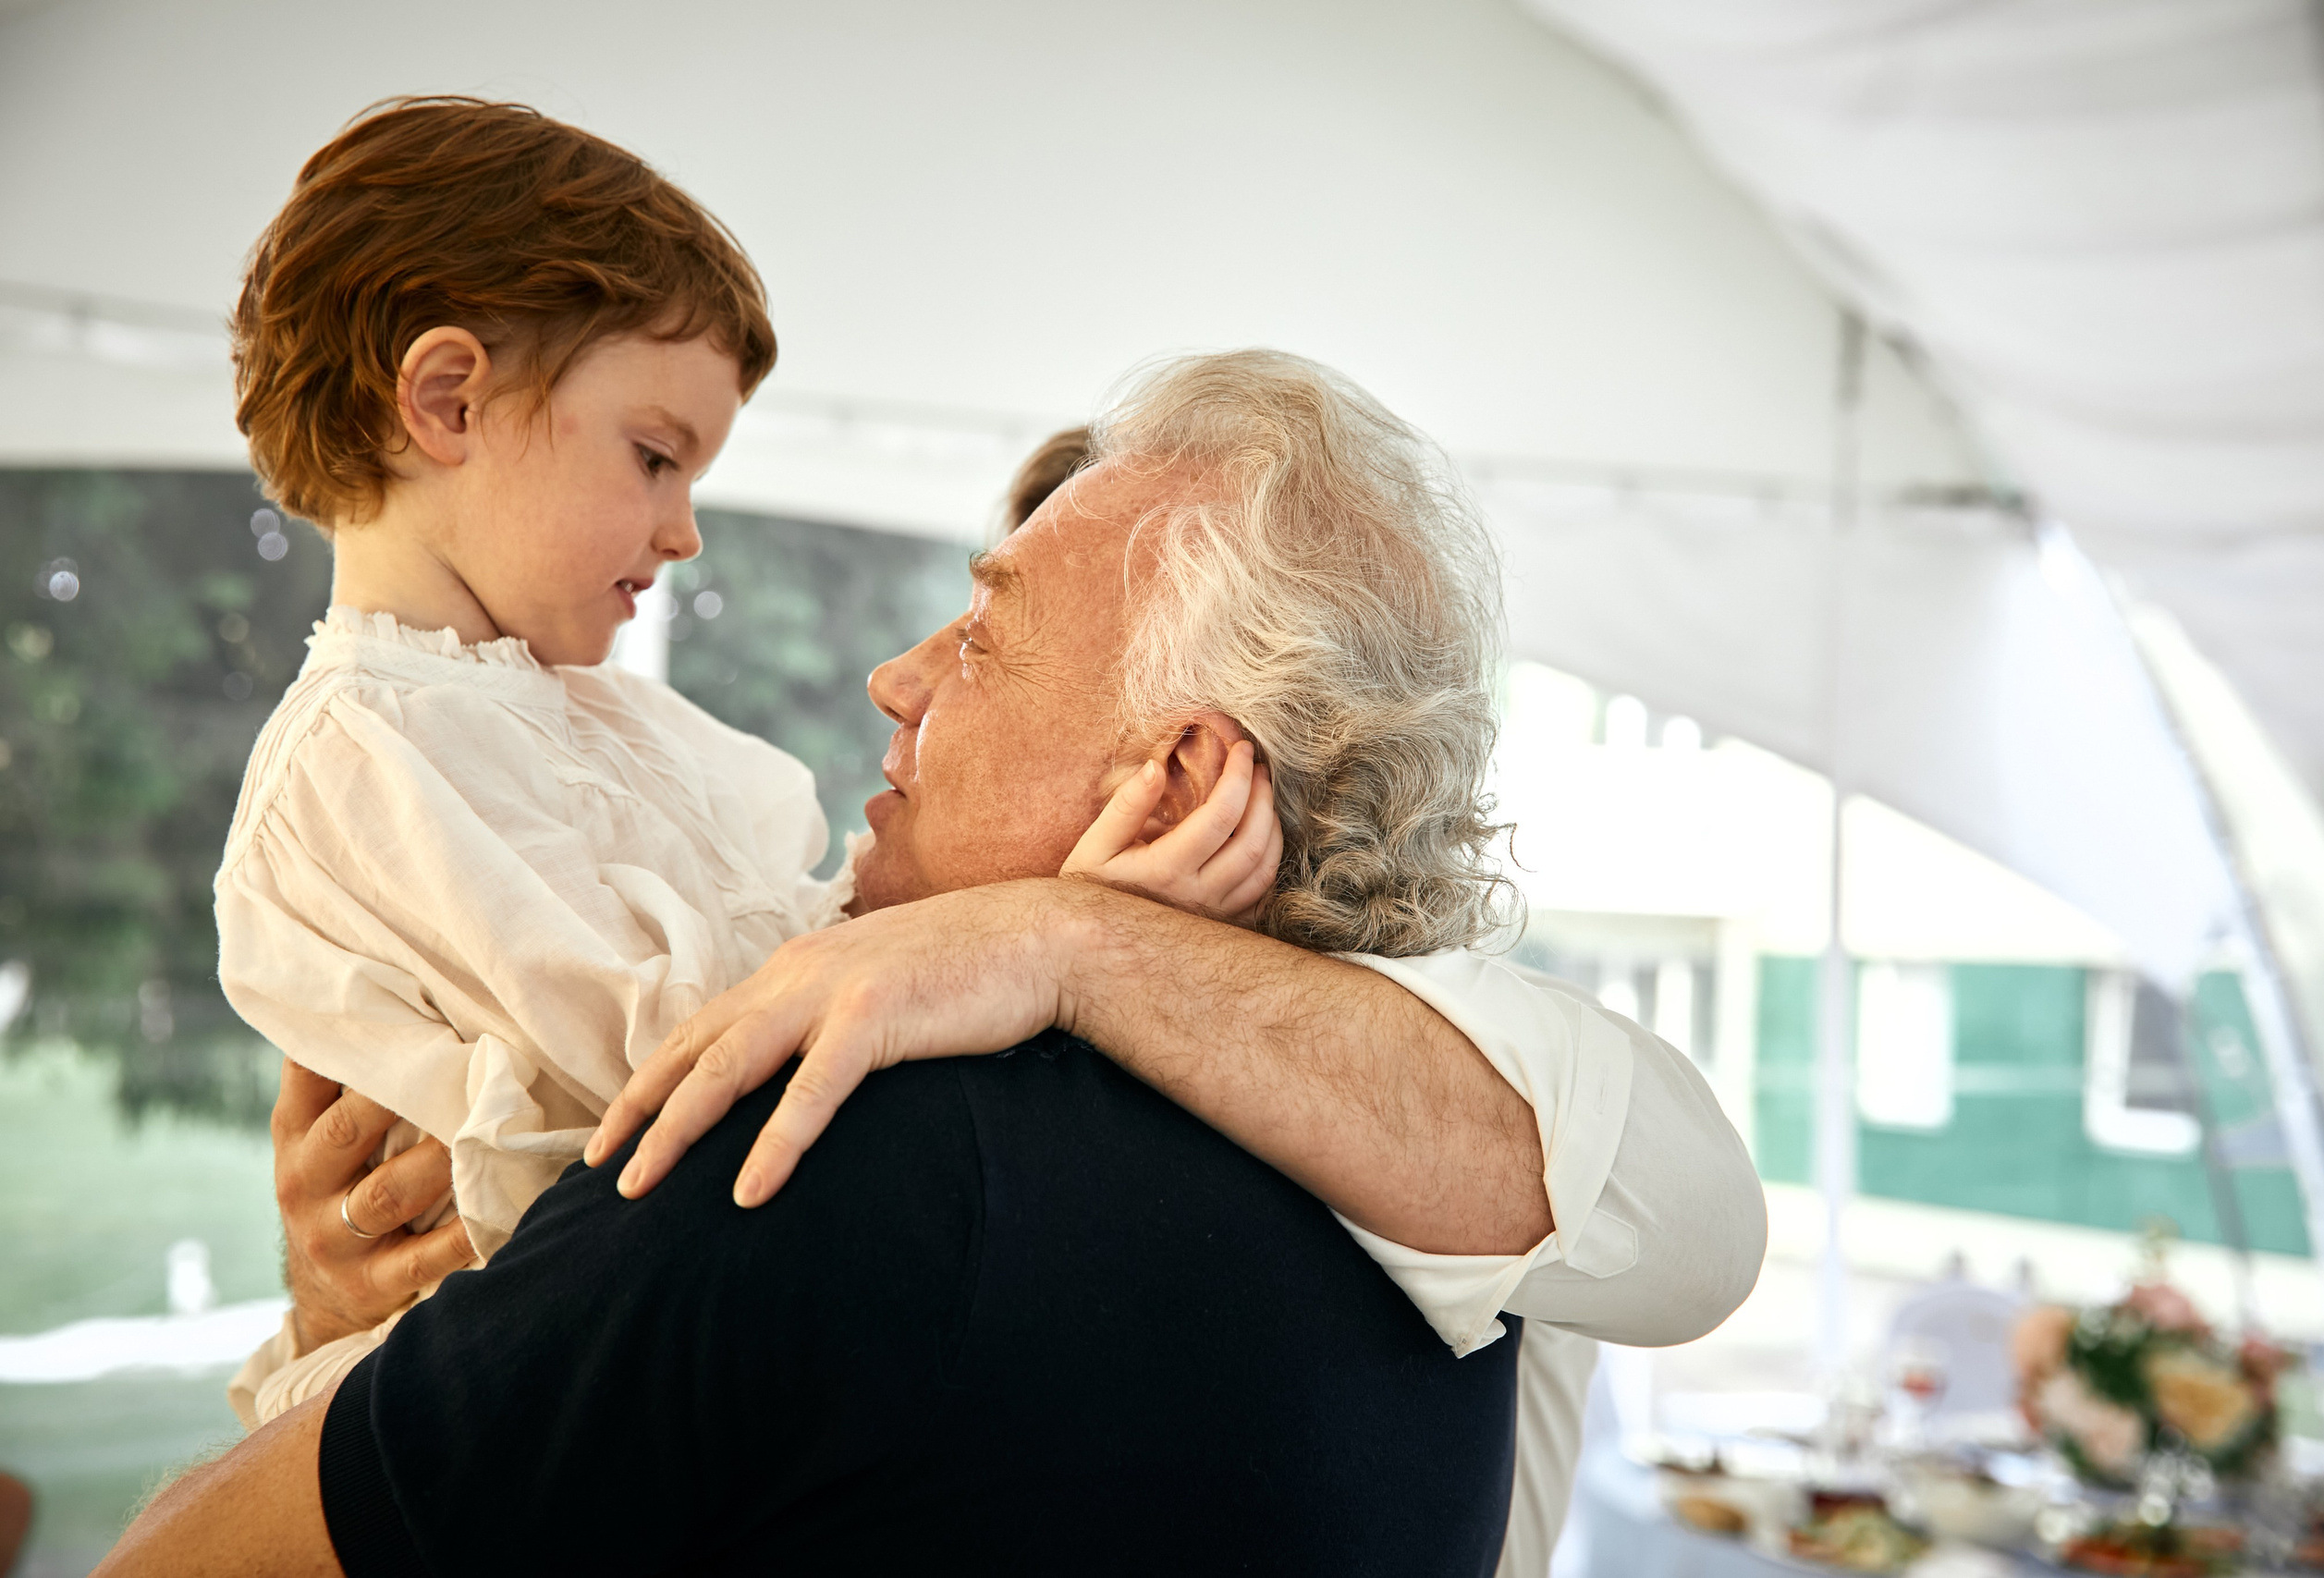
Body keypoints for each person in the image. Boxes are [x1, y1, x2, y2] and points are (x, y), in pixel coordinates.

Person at [197, 352, 1766, 1575]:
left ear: (1172, 782)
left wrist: (1056, 939)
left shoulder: (835, 1148)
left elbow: (197, 1567)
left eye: (985, 634)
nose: (894, 678)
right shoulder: (1450, 1220)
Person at [212, 97, 1278, 1425]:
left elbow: (819, 951)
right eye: (655, 458)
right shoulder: (363, 759)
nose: (684, 535)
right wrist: (1053, 931)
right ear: (446, 400)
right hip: (513, 1411)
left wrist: (1058, 934)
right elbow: (693, 1070)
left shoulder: (597, 721)